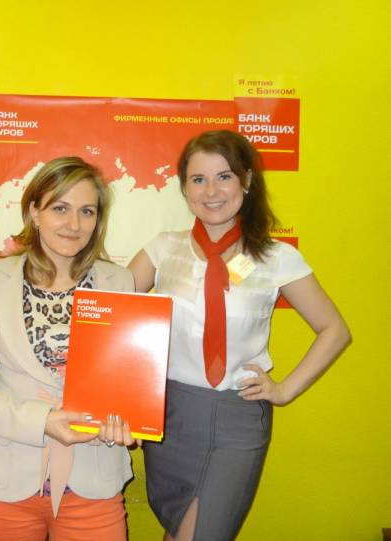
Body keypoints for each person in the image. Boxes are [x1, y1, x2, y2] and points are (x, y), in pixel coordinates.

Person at [128, 130, 351, 541]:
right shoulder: (163, 249)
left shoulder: (277, 257)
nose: (211, 191)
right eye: (198, 179)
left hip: (238, 416)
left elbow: (334, 329)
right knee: (178, 528)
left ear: (246, 180)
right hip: (170, 414)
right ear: (185, 188)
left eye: (224, 176)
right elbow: (111, 315)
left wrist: (284, 390)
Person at [0, 156, 136, 541]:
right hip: (4, 484)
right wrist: (42, 421)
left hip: (93, 481)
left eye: (87, 211)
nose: (74, 224)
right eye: (60, 208)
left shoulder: (119, 281)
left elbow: (126, 382)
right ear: (34, 211)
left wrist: (127, 420)